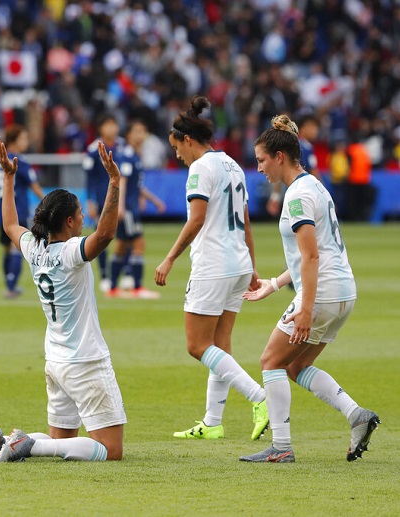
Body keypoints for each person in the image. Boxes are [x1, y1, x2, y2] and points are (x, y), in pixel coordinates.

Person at [0, 139, 126, 462]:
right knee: (111, 450)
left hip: (56, 361)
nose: (82, 220)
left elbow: (9, 224)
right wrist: (114, 182)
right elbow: (105, 235)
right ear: (70, 222)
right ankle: (31, 444)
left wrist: (8, 178)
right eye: (79, 215)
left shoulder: (35, 248)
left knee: (62, 440)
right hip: (85, 361)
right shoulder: (70, 252)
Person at [240, 115, 380, 463]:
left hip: (323, 292)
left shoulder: (297, 197)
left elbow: (312, 256)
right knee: (295, 366)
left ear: (280, 157)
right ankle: (356, 416)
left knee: (270, 361)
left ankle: (281, 447)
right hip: (344, 291)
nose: (259, 169)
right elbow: (313, 254)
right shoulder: (314, 185)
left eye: (261, 160)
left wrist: (304, 308)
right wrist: (274, 284)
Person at [155, 96, 269, 441]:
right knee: (220, 343)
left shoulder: (200, 168)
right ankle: (213, 422)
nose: (177, 155)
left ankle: (261, 398)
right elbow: (246, 221)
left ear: (188, 140)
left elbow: (198, 218)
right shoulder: (233, 165)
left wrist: (171, 256)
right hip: (237, 263)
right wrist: (251, 266)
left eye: (177, 148)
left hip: (214, 264)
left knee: (197, 345)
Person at [0, 125, 44, 298]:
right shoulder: (20, 161)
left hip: (1, 214)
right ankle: (11, 286)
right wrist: (50, 202)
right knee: (17, 249)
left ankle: (9, 282)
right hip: (17, 211)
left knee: (6, 249)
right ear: (15, 141)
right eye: (24, 138)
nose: (26, 142)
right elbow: (34, 186)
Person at [107, 120, 165, 299]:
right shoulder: (128, 155)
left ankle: (112, 288)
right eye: (138, 131)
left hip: (130, 205)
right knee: (138, 244)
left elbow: (135, 185)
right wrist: (121, 206)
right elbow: (122, 181)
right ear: (130, 135)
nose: (142, 135)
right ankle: (137, 287)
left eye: (143, 131)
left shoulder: (135, 155)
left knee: (121, 246)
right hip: (129, 208)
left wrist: (154, 200)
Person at [83, 114, 124, 292]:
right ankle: (104, 275)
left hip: (121, 197)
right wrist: (90, 201)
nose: (111, 129)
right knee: (101, 237)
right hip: (102, 198)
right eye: (108, 125)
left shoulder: (123, 146)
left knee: (125, 236)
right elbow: (89, 178)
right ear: (101, 129)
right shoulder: (93, 149)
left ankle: (124, 272)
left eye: (113, 125)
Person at [266, 113, 323, 217]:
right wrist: (323, 192)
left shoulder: (297, 145)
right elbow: (314, 172)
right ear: (302, 128)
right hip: (299, 193)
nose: (315, 130)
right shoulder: (303, 147)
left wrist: (275, 196)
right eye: (312, 127)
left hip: (293, 192)